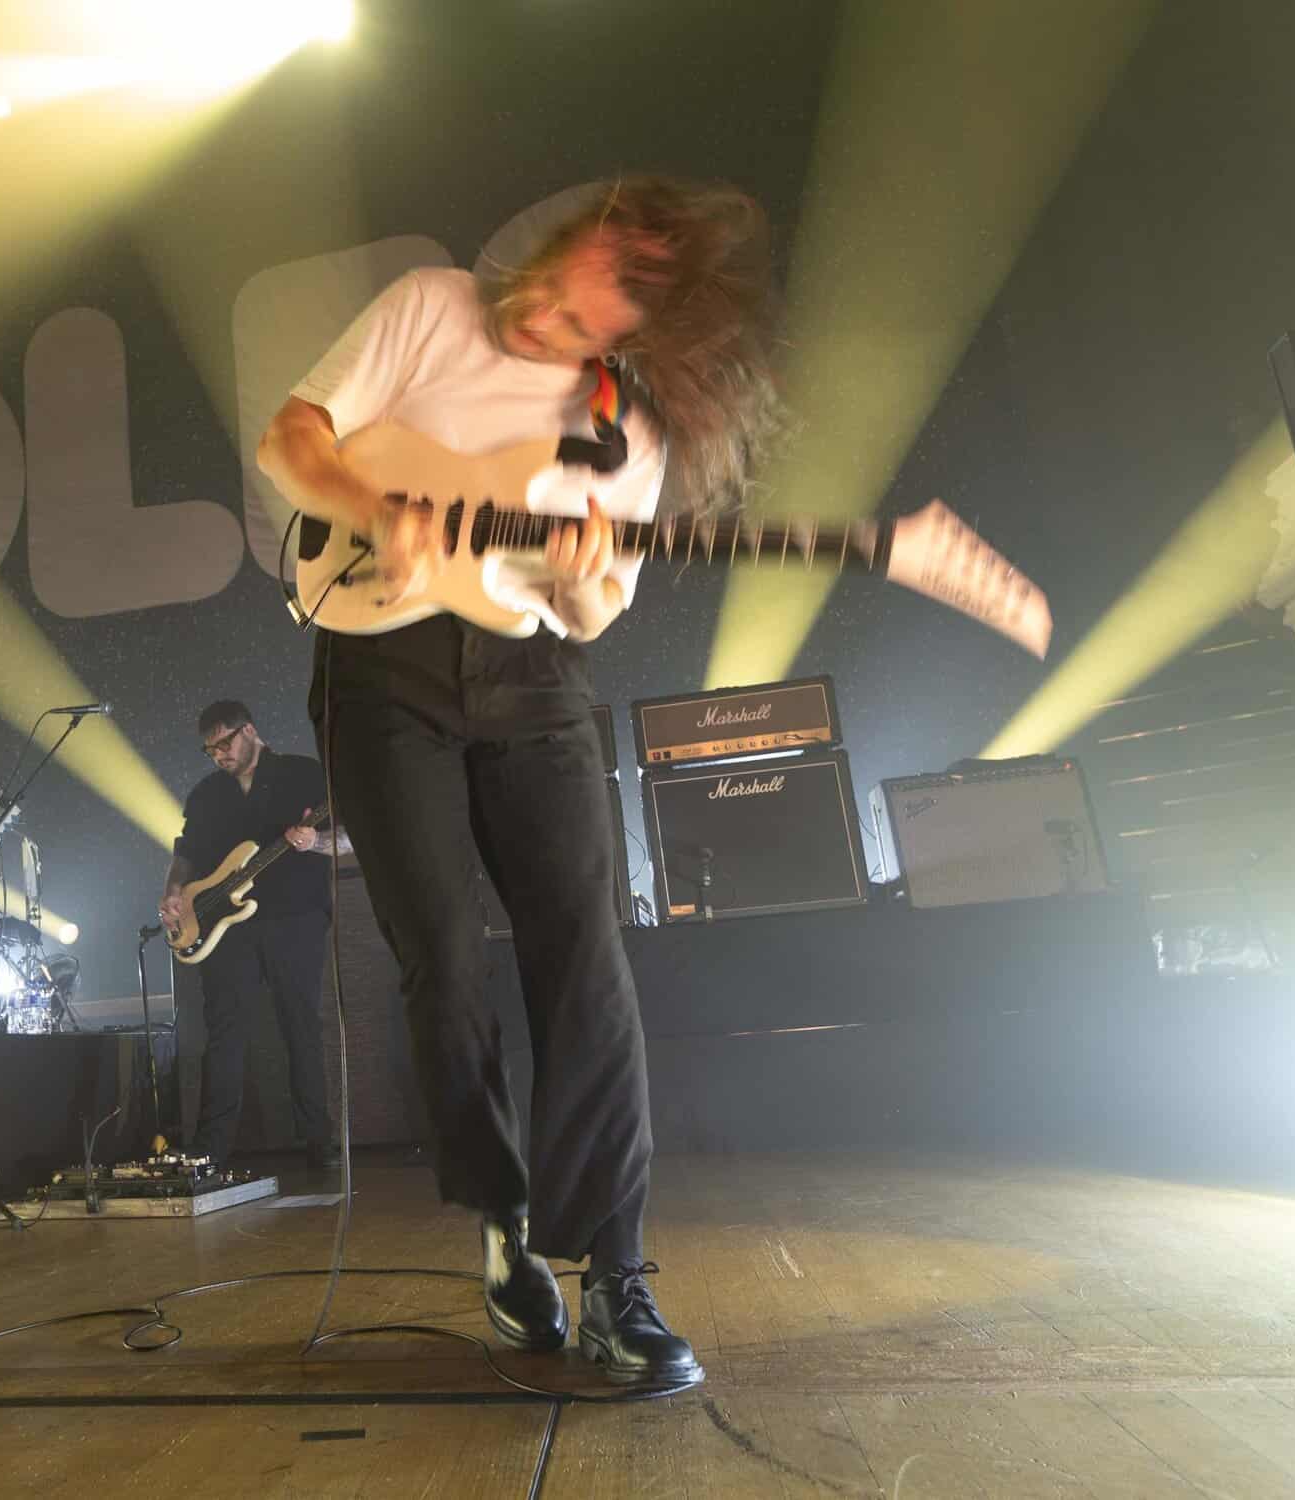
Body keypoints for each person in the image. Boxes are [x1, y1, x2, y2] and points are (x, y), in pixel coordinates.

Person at [254, 176, 782, 1385]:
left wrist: (587, 569)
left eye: (576, 323)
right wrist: (373, 504)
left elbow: (591, 611)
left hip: (532, 678)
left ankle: (617, 1275)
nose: (539, 321)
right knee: (439, 956)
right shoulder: (428, 305)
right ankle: (501, 1228)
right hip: (380, 665)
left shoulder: (625, 429)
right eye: (546, 287)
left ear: (630, 335)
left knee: (583, 952)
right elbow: (292, 437)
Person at [161, 701, 343, 1170]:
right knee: (223, 1031)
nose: (219, 755)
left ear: (249, 730)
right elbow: (186, 854)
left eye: (225, 743)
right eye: (210, 749)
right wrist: (174, 891)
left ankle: (318, 1142)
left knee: (300, 1026)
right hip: (225, 926)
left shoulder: (304, 774)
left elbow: (351, 837)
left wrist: (316, 842)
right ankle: (211, 1147)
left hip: (295, 916)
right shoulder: (206, 794)